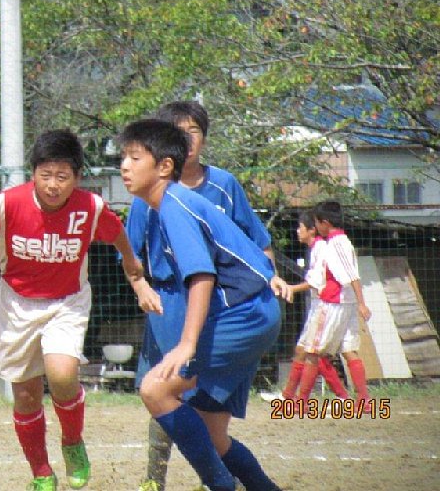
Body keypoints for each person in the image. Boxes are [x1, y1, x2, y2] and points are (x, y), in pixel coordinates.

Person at [0, 129, 156, 491]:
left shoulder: (90, 207)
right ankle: (41, 472)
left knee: (63, 374)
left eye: (62, 177)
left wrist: (133, 268)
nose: (53, 185)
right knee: (25, 395)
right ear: (33, 173)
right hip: (16, 304)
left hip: (67, 301)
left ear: (77, 178)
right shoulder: (7, 204)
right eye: (45, 175)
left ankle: (72, 442)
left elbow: (117, 233)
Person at [127, 101, 286, 491]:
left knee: (155, 388)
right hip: (253, 312)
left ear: (164, 166)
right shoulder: (170, 202)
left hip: (242, 315)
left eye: (134, 158)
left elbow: (202, 276)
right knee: (214, 435)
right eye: (123, 158)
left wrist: (187, 344)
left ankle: (220, 485)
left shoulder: (174, 206)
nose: (124, 167)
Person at [294, 201, 372, 411]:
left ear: (325, 223)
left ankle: (301, 402)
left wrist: (362, 303)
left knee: (313, 351)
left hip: (334, 303)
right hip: (346, 303)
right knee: (348, 349)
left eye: (317, 222)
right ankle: (363, 399)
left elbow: (352, 275)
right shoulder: (340, 242)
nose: (316, 226)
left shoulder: (336, 244)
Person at [277, 210, 348, 401]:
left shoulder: (321, 249)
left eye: (300, 227)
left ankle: (305, 400)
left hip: (326, 305)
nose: (297, 231)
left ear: (311, 230)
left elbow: (316, 282)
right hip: (318, 306)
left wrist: (291, 288)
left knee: (313, 354)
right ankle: (288, 396)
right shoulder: (315, 248)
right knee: (302, 350)